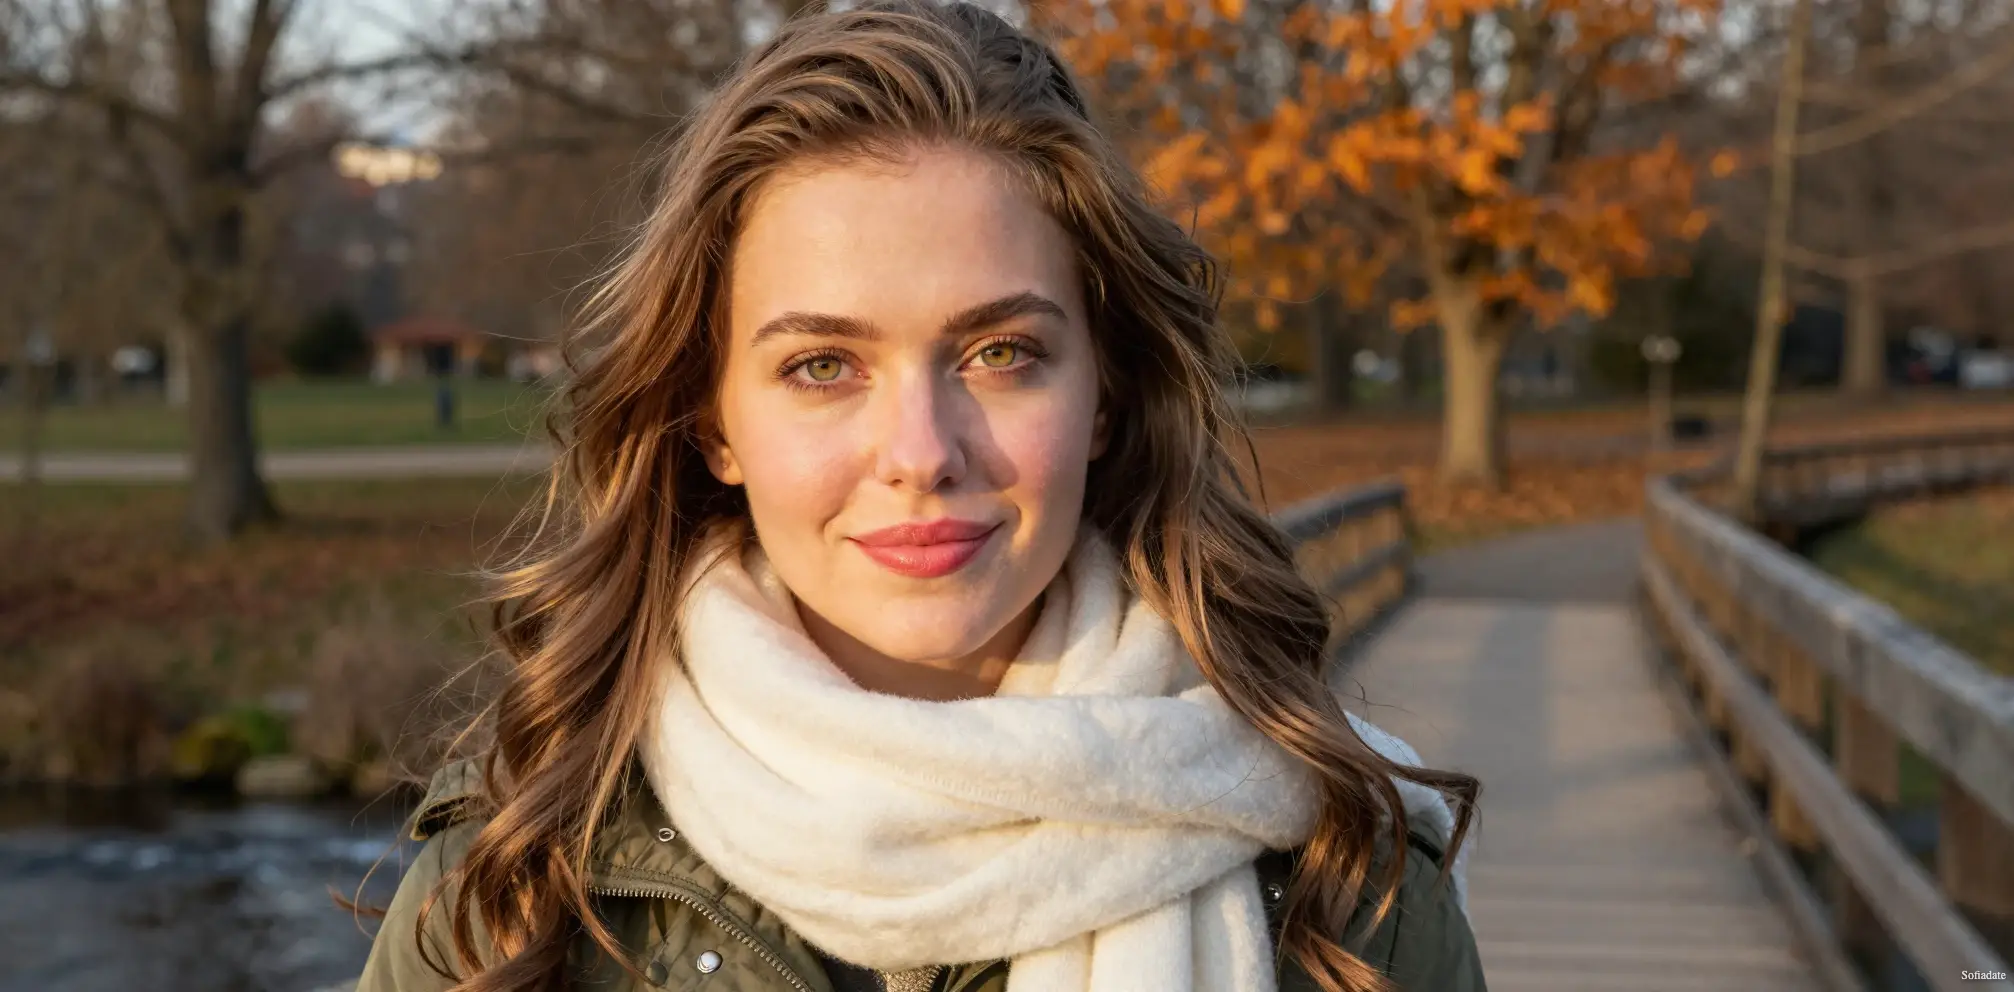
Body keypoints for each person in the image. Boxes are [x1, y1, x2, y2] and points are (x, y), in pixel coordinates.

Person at [353, 2, 1484, 990]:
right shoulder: (512, 883)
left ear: (1105, 392)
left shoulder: (1344, 889)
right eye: (821, 366)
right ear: (713, 422)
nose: (920, 451)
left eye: (999, 352)